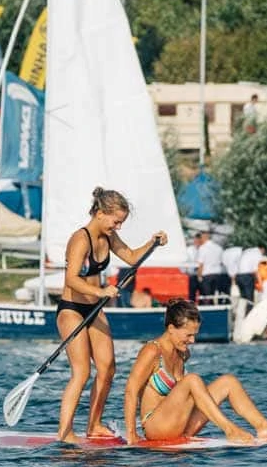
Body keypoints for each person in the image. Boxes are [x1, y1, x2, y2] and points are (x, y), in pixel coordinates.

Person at [56, 186, 168, 444]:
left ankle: (94, 425)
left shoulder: (107, 238)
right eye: (116, 221)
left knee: (107, 368)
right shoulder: (80, 239)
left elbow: (130, 257)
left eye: (121, 223)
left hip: (95, 309)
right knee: (82, 372)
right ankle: (64, 432)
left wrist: (153, 242)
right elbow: (71, 279)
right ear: (100, 213)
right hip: (72, 309)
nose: (117, 227)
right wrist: (102, 290)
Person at [123, 299, 267, 445]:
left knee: (228, 381)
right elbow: (131, 390)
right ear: (171, 328)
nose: (192, 340)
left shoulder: (182, 352)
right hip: (156, 427)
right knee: (192, 379)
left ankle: (263, 427)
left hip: (181, 424)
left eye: (194, 335)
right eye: (188, 335)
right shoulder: (152, 351)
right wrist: (131, 434)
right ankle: (229, 429)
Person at [195, 230, 225, 304]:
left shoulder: (203, 248)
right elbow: (221, 262)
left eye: (201, 237)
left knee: (207, 297)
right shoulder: (219, 248)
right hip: (218, 274)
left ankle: (208, 312)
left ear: (204, 237)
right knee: (216, 295)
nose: (200, 239)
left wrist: (199, 276)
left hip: (207, 275)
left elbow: (201, 264)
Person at [235, 244, 264, 310]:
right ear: (262, 249)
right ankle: (249, 314)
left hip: (238, 275)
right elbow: (256, 271)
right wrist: (261, 284)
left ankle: (241, 315)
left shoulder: (247, 251)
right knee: (249, 298)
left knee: (243, 298)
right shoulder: (257, 254)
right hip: (247, 276)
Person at [185, 232, 203, 302]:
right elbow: (185, 262)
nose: (197, 242)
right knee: (192, 295)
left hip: (202, 275)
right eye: (196, 240)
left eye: (199, 240)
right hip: (192, 275)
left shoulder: (204, 249)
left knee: (203, 294)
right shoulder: (189, 250)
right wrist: (186, 272)